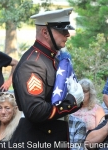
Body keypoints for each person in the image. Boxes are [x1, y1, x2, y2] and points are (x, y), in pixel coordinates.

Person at [11, 8, 84, 150]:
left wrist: (76, 98)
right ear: (45, 32)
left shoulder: (52, 60)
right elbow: (36, 110)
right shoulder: (33, 63)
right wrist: (72, 102)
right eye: (62, 31)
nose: (68, 34)